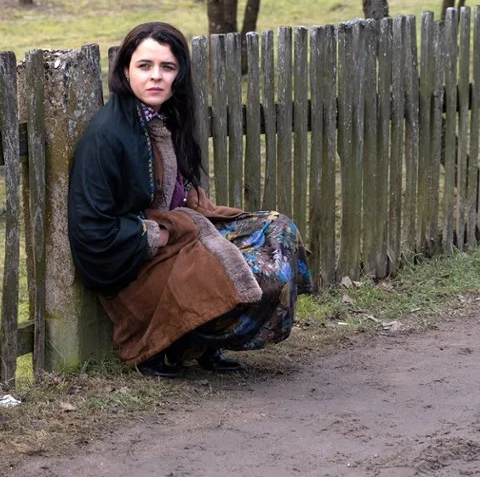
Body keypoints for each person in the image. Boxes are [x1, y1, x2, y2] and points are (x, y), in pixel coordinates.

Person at [67, 22, 312, 378]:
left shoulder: (166, 116)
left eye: (167, 67)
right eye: (144, 66)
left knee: (277, 230)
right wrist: (159, 234)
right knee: (247, 274)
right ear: (125, 71)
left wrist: (194, 213)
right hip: (138, 265)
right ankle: (175, 342)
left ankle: (200, 344)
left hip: (183, 238)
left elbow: (176, 190)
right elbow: (92, 230)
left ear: (179, 75)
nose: (156, 76)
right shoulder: (107, 135)